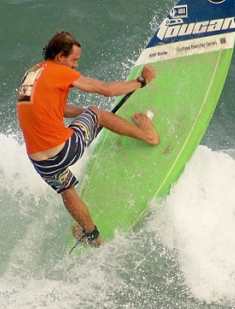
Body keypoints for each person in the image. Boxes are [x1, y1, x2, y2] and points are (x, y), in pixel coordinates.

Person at [16, 30, 159, 247]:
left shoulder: (33, 74)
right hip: (62, 149)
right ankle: (148, 135)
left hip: (40, 161)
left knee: (67, 190)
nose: (75, 66)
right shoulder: (58, 71)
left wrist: (83, 115)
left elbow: (57, 108)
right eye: (73, 60)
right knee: (97, 112)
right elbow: (107, 90)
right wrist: (141, 81)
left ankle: (92, 235)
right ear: (59, 57)